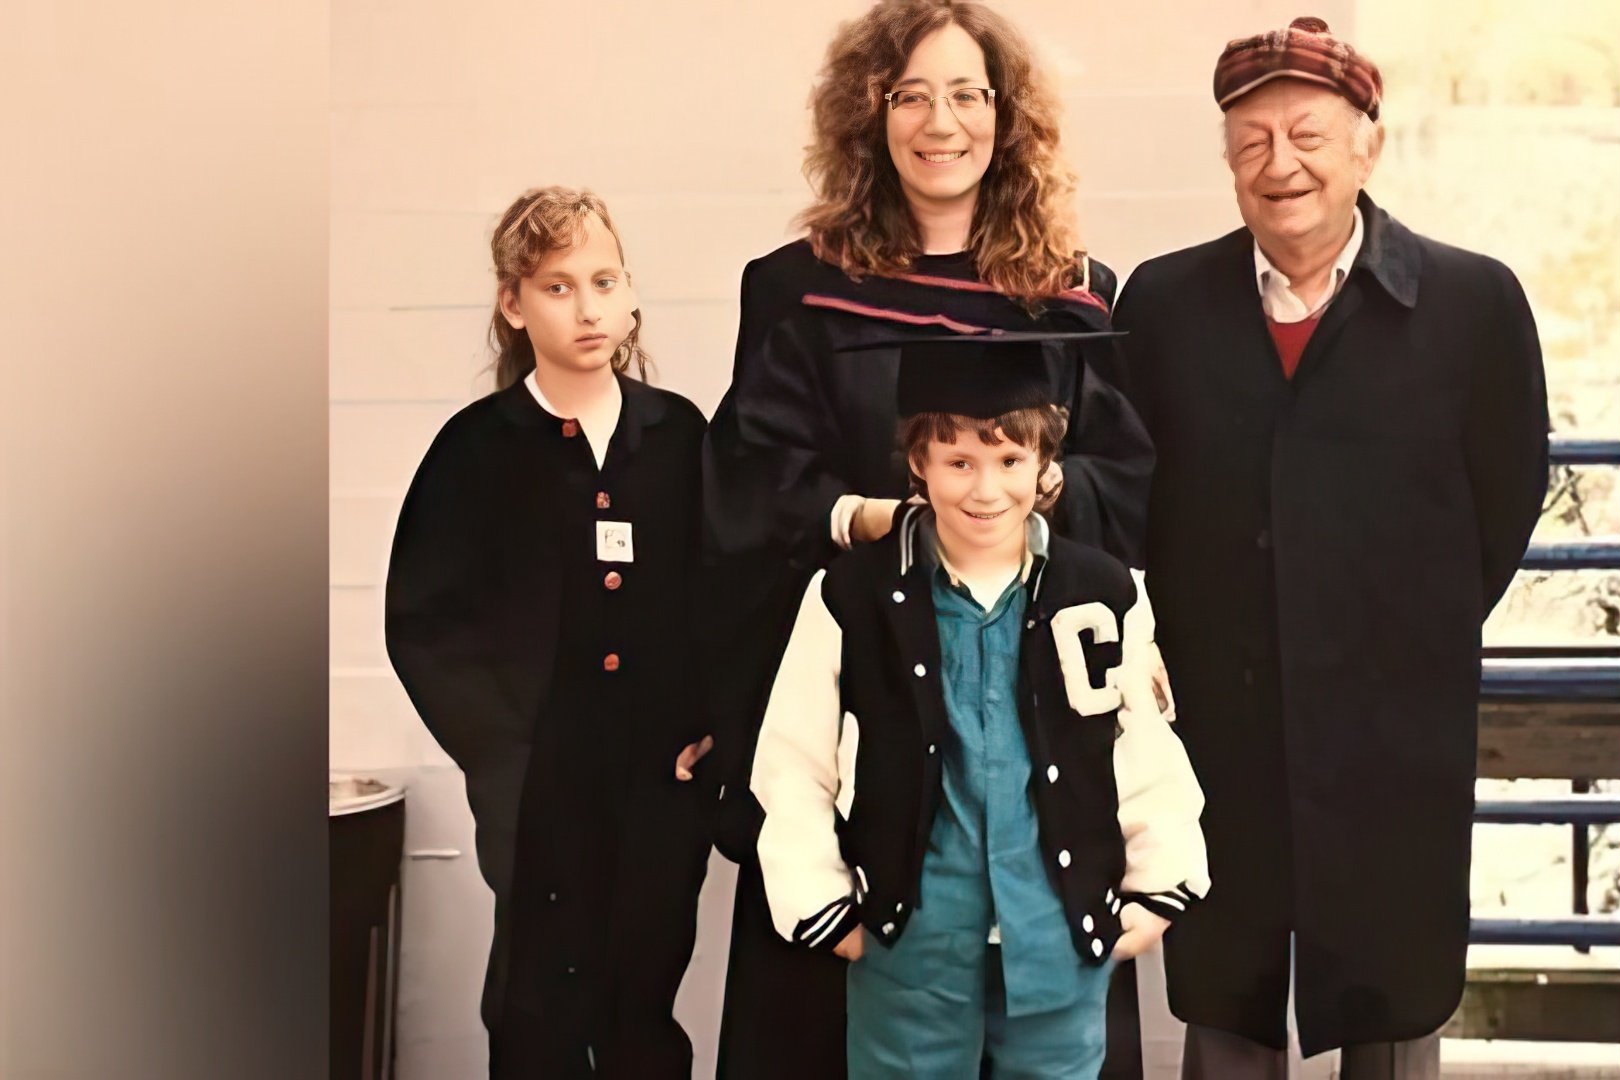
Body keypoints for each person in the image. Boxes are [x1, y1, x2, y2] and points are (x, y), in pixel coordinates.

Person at [700, 3, 1156, 1075]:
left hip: (1037, 717)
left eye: (965, 94)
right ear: (873, 113)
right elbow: (751, 486)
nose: (938, 121)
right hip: (872, 707)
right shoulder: (800, 291)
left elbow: (1126, 482)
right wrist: (877, 523)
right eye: (911, 95)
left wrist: (1010, 502)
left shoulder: (1075, 299)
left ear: (1007, 118)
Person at [1104, 19, 1550, 1079]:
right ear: (1224, 159)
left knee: (1392, 1002)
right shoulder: (1162, 306)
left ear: (1368, 145)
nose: (1280, 163)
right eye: (1250, 140)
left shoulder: (1472, 304)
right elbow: (1127, 491)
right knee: (1226, 1000)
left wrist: (1396, 630)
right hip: (1215, 715)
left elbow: (1506, 499)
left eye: (1307, 133)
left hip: (1394, 723)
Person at [750, 329, 1209, 1079]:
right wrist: (819, 902)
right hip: (912, 941)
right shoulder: (852, 595)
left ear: (1045, 467)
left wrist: (1160, 887)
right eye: (958, 462)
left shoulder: (1102, 591)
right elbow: (795, 759)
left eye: (1008, 461)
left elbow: (1138, 746)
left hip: (1056, 935)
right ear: (917, 466)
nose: (985, 489)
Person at [385, 186, 714, 1078]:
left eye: (604, 281)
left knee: (644, 1005)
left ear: (632, 292)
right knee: (538, 1009)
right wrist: (503, 754)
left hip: (659, 781)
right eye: (558, 286)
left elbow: (725, 589)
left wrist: (712, 722)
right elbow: (424, 625)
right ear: (513, 303)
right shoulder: (477, 449)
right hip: (538, 790)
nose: (587, 307)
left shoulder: (679, 436)